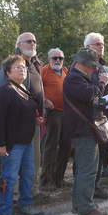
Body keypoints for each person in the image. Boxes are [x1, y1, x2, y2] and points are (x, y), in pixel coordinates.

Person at [0, 33, 46, 199]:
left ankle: (31, 193)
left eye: (35, 41)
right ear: (19, 45)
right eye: (29, 41)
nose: (33, 44)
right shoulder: (10, 65)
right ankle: (12, 199)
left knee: (33, 161)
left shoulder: (34, 65)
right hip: (15, 127)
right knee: (13, 166)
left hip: (33, 123)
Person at [0, 55, 45, 215]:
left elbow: (26, 111)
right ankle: (4, 214)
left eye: (23, 67)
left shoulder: (24, 88)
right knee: (9, 178)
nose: (22, 69)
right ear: (8, 72)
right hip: (12, 144)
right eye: (17, 67)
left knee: (28, 175)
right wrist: (1, 144)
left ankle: (25, 205)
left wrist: (35, 119)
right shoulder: (5, 90)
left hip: (27, 141)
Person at [63, 47, 108, 215]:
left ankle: (79, 204)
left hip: (83, 129)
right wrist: (102, 82)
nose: (94, 69)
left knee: (83, 169)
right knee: (88, 170)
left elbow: (91, 99)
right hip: (83, 130)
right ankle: (86, 207)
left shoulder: (79, 77)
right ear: (82, 64)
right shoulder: (74, 78)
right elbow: (89, 94)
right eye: (92, 66)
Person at [84, 32, 108, 198]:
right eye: (97, 44)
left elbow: (104, 92)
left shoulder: (103, 66)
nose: (101, 46)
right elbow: (89, 94)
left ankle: (95, 186)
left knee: (102, 153)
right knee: (88, 158)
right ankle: (85, 192)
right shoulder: (83, 66)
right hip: (88, 118)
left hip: (103, 116)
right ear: (88, 47)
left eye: (102, 43)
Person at [40, 48, 71, 190]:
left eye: (61, 58)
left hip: (67, 112)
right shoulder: (44, 71)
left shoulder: (65, 70)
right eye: (55, 58)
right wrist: (45, 100)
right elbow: (36, 89)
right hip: (54, 112)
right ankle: (46, 181)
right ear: (49, 59)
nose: (58, 60)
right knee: (51, 146)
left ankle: (59, 179)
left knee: (65, 146)